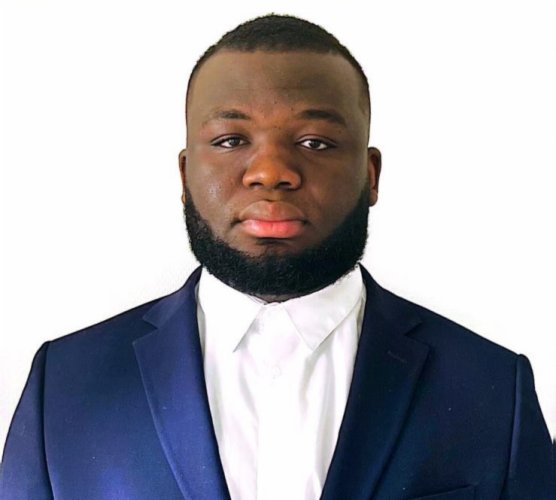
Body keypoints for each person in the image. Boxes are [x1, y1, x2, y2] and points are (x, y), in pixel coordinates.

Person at [1, 14, 553, 500]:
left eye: (315, 142)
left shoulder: (491, 388)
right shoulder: (65, 385)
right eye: (230, 140)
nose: (271, 172)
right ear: (184, 175)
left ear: (371, 175)